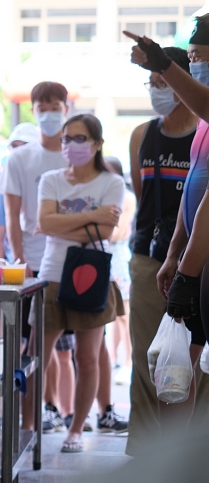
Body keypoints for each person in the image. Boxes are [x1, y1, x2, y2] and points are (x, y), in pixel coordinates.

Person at [126, 33, 209, 443]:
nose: (196, 67)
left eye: (199, 58)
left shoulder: (202, 119)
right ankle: (159, 456)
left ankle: (187, 458)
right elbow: (191, 195)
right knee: (166, 362)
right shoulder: (191, 129)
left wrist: (187, 271)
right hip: (170, 254)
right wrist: (176, 253)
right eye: (191, 58)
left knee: (192, 366)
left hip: (199, 263)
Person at [36, 114, 125, 452]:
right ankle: (29, 424)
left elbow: (105, 232)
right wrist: (92, 215)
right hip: (52, 274)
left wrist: (61, 222)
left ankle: (76, 430)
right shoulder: (51, 179)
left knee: (87, 358)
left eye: (80, 138)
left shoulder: (111, 183)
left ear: (97, 143)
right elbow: (45, 223)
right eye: (66, 139)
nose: (71, 145)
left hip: (93, 277)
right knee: (36, 355)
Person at [4, 82, 71, 433]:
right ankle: (27, 425)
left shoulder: (77, 156)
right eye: (42, 107)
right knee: (33, 350)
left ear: (66, 109)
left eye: (54, 106)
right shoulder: (19, 158)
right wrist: (19, 260)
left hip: (73, 264)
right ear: (33, 111)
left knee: (81, 351)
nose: (48, 113)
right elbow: (11, 215)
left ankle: (74, 421)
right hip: (33, 267)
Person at [0, 122, 40, 261]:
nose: (19, 151)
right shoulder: (5, 186)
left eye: (25, 146)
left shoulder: (50, 180)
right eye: (15, 146)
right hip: (16, 266)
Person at [103, 156, 134, 387]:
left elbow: (116, 233)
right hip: (105, 257)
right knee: (111, 315)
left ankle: (128, 362)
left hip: (119, 259)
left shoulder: (127, 197)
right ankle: (113, 358)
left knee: (124, 314)